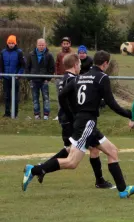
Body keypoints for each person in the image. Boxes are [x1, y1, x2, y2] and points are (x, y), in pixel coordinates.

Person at [22, 51, 134, 199]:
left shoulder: (81, 77)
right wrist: (130, 114)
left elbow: (61, 95)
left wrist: (72, 113)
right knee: (72, 162)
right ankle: (34, 170)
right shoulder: (102, 77)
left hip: (86, 123)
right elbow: (112, 103)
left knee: (112, 152)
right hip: (87, 124)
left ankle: (123, 190)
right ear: (106, 64)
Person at [34, 53, 114, 189]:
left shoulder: (65, 79)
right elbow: (74, 100)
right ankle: (40, 169)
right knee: (72, 155)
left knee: (92, 149)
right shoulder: (73, 80)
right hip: (73, 120)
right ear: (75, 65)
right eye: (80, 65)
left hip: (70, 119)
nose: (81, 67)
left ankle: (99, 180)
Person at [25, 38, 54, 120]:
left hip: (44, 80)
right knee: (35, 99)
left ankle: (46, 115)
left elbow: (52, 68)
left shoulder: (49, 55)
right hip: (34, 80)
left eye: (42, 45)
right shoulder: (31, 55)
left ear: (45, 45)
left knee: (46, 98)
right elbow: (27, 68)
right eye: (39, 45)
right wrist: (29, 78)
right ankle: (37, 115)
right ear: (36, 45)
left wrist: (48, 79)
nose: (41, 47)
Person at [0, 35, 25, 117]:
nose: (11, 45)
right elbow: (1, 65)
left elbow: (22, 65)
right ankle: (7, 113)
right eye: (9, 43)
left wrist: (19, 75)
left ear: (15, 43)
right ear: (7, 43)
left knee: (15, 96)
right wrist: (1, 75)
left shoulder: (19, 52)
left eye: (12, 43)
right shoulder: (3, 52)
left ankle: (15, 113)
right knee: (7, 96)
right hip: (6, 77)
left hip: (15, 78)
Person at [54, 37, 72, 120]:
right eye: (64, 44)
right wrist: (57, 76)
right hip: (60, 78)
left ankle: (69, 113)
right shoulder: (59, 54)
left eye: (67, 44)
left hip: (69, 78)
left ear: (70, 44)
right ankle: (60, 114)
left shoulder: (72, 54)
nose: (65, 45)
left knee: (69, 97)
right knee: (60, 96)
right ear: (61, 44)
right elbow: (56, 65)